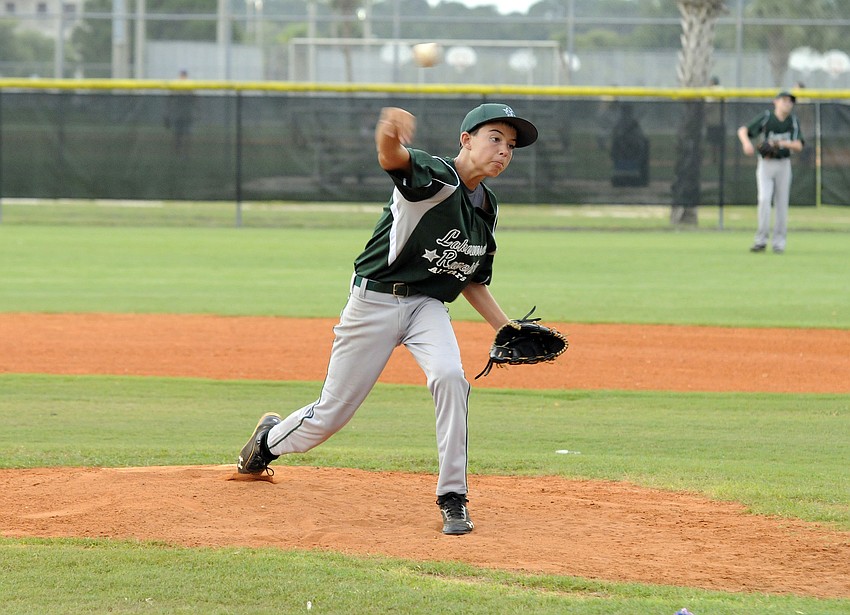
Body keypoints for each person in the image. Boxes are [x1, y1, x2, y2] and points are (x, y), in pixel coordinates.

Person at [236, 103, 539, 535]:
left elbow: (471, 279)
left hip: (427, 307)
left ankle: (452, 497)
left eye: (511, 146)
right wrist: (388, 130)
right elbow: (390, 158)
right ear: (466, 140)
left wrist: (505, 327)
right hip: (374, 303)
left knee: (452, 377)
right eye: (495, 138)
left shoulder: (486, 206)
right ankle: (266, 443)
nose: (504, 151)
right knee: (330, 416)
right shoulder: (435, 177)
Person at [737, 91, 804, 254]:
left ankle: (779, 243)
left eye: (790, 102)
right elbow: (743, 130)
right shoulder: (767, 117)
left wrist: (780, 143)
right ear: (776, 102)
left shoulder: (793, 121)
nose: (788, 104)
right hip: (766, 164)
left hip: (783, 164)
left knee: (782, 204)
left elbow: (799, 145)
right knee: (764, 199)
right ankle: (760, 240)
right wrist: (746, 143)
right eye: (784, 100)